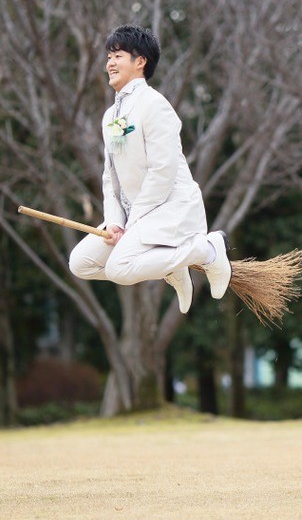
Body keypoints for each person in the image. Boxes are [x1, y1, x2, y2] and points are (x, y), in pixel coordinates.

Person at [68, 25, 230, 312]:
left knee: (120, 269)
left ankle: (208, 249)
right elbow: (110, 177)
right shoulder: (110, 116)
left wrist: (132, 225)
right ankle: (171, 265)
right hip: (134, 217)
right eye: (108, 57)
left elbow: (163, 173)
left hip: (169, 208)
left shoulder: (156, 106)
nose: (109, 64)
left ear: (140, 61)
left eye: (117, 56)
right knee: (80, 263)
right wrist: (115, 220)